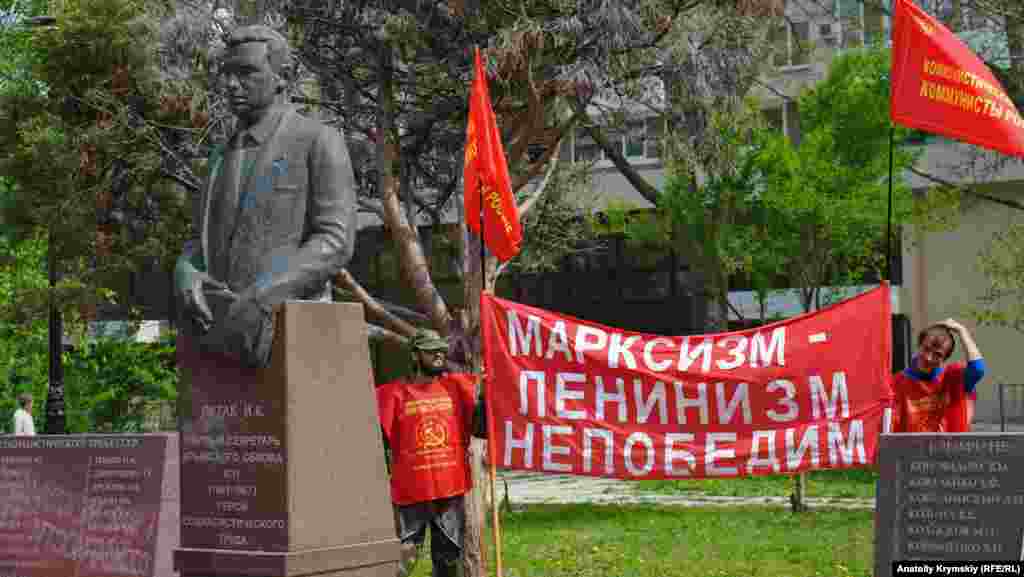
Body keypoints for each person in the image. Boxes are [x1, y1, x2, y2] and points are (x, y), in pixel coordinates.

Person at [174, 25, 356, 368]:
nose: (231, 84)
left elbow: (335, 240)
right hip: (216, 332)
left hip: (291, 329)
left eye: (246, 72)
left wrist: (263, 297)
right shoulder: (219, 156)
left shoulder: (318, 141)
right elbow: (199, 240)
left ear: (282, 76)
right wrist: (186, 273)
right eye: (227, 73)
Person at [375, 329, 482, 577]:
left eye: (441, 350)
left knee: (448, 561)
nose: (438, 354)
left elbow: (480, 427)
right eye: (431, 350)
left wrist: (486, 397)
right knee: (404, 559)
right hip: (411, 492)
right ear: (415, 355)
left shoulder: (457, 387)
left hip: (450, 490)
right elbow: (378, 442)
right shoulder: (393, 394)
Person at [891, 318, 985, 432]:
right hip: (911, 443)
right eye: (926, 349)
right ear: (919, 346)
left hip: (948, 443)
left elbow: (978, 368)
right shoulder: (897, 382)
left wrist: (961, 330)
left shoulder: (954, 377)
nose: (928, 357)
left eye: (938, 355)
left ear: (945, 359)